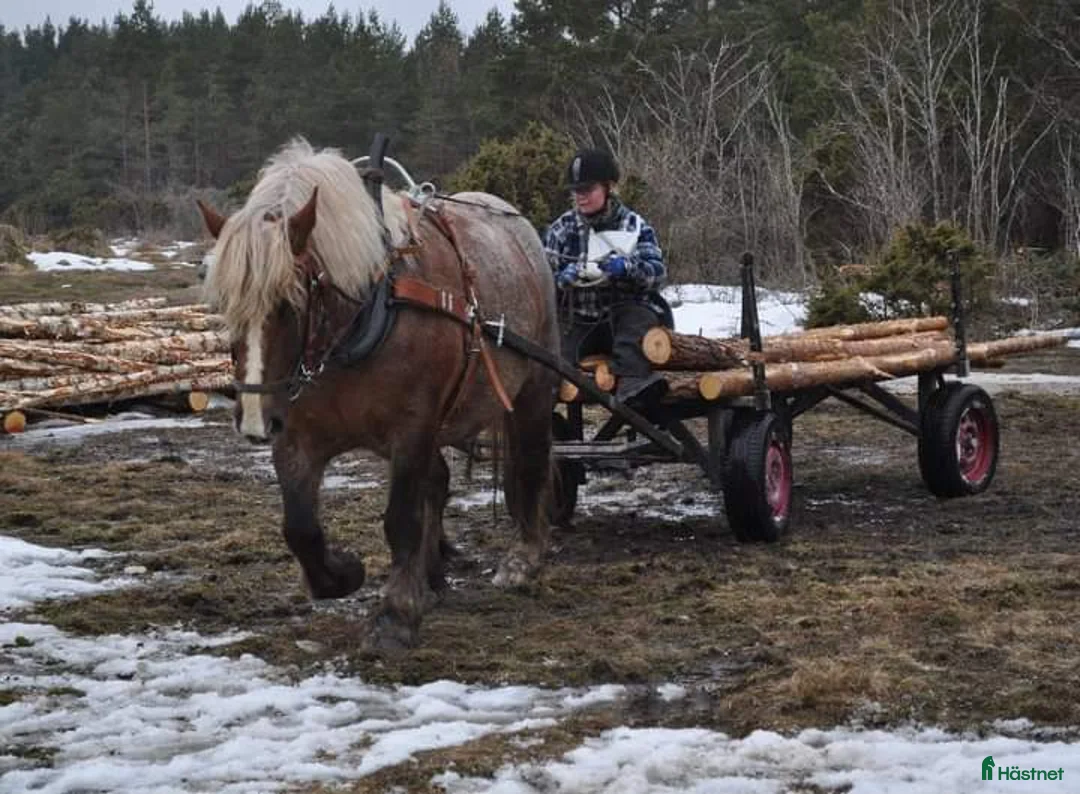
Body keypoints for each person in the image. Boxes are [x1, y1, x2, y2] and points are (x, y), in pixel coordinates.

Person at [543, 147, 670, 408]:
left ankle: (634, 385)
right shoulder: (560, 229)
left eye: (587, 190)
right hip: (578, 319)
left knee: (639, 318)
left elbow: (658, 273)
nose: (581, 197)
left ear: (608, 187)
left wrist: (629, 268)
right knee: (552, 352)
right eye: (576, 191)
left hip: (622, 317)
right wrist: (559, 281)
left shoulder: (634, 225)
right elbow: (542, 283)